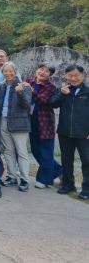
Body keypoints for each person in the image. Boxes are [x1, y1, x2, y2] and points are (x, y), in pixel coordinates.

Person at [50, 64, 89, 200]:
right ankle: (68, 185)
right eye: (70, 76)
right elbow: (52, 103)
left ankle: (86, 189)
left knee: (87, 161)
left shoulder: (87, 92)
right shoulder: (63, 90)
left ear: (82, 75)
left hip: (84, 134)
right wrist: (61, 94)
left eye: (76, 75)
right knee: (66, 160)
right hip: (65, 131)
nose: (73, 78)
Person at [0, 62, 32, 192]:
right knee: (8, 150)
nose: (8, 73)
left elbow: (27, 105)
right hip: (3, 121)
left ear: (15, 72)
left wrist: (20, 93)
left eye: (11, 71)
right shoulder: (1, 86)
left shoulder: (24, 86)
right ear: (2, 73)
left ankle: (25, 179)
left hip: (19, 123)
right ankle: (12, 176)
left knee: (21, 152)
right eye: (5, 71)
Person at [26, 63, 62, 189]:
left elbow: (43, 100)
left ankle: (44, 180)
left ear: (49, 75)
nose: (42, 72)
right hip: (31, 121)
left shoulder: (50, 87)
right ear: (37, 70)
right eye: (41, 69)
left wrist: (32, 91)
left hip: (44, 122)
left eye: (46, 71)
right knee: (35, 150)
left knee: (46, 151)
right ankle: (59, 170)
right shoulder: (29, 81)